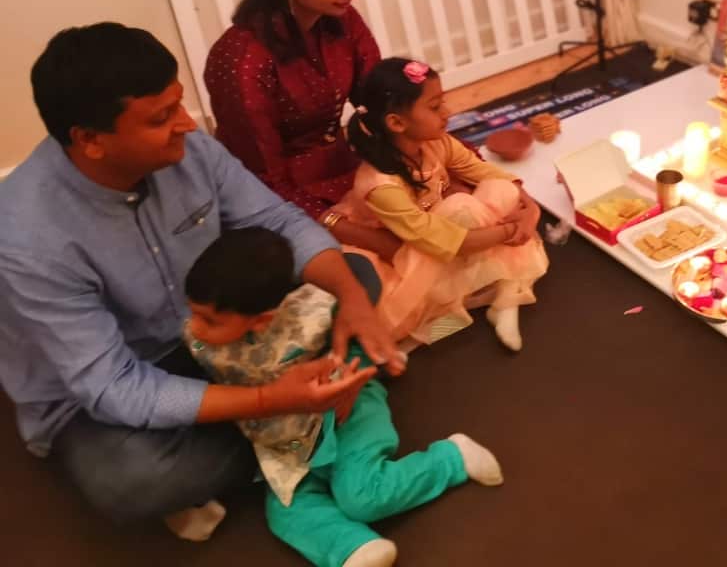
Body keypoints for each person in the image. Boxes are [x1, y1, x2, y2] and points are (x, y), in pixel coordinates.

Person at [0, 23, 401, 540]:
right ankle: (321, 412)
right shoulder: (26, 237)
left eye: (179, 104)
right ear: (90, 141)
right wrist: (271, 401)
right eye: (161, 118)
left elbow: (275, 221)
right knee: (130, 481)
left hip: (217, 326)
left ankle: (298, 419)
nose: (187, 124)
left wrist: (349, 297)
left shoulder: (189, 149)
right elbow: (113, 386)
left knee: (354, 276)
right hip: (119, 377)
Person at [184, 227, 502, 567]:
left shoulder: (318, 312)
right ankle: (352, 547)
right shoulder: (199, 340)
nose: (195, 328)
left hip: (345, 414)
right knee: (286, 511)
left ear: (262, 320)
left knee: (363, 497)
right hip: (283, 444)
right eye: (192, 313)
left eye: (209, 320)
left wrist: (353, 376)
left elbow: (359, 342)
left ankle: (451, 458)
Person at [204, 0, 394, 257]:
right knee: (375, 259)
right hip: (277, 197)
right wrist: (363, 235)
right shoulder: (241, 60)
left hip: (341, 165)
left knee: (450, 198)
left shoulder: (343, 20)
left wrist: (436, 158)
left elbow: (382, 102)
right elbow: (264, 180)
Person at [337, 58, 548, 351]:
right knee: (460, 211)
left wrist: (531, 210)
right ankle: (438, 326)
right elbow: (438, 240)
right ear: (397, 123)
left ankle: (501, 300)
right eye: (435, 107)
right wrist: (512, 229)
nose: (447, 113)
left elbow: (487, 172)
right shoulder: (379, 185)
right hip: (406, 253)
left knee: (500, 190)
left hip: (445, 237)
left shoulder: (436, 143)